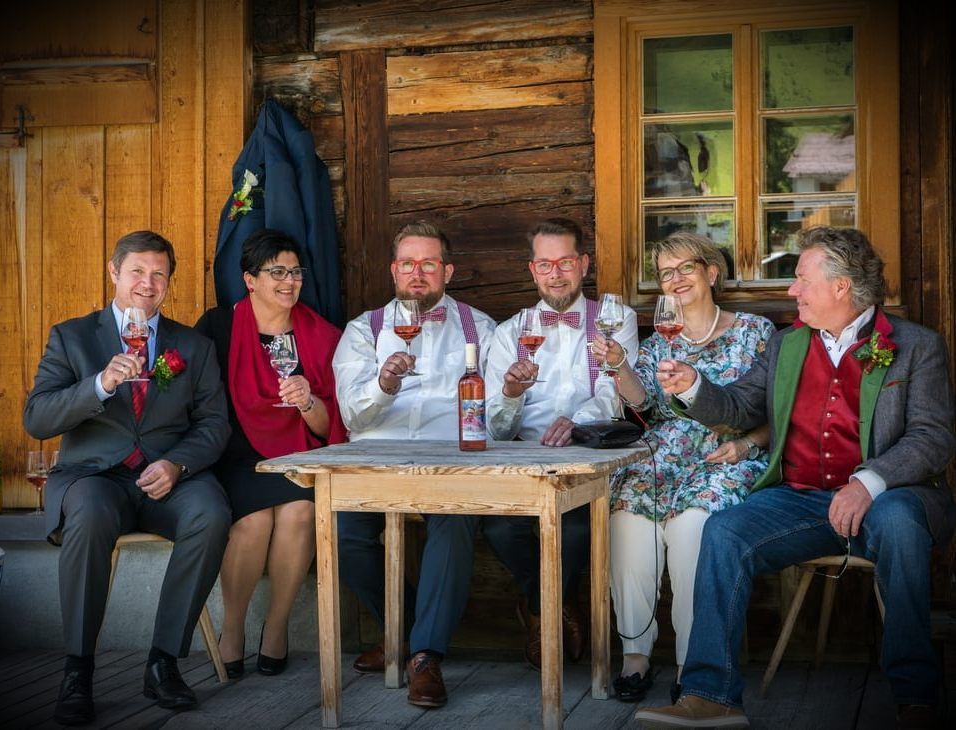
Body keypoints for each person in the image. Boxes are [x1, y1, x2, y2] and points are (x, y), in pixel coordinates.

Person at [636, 226, 956, 730]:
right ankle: (710, 696)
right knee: (725, 530)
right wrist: (693, 386)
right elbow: (740, 408)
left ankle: (916, 697)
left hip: (890, 497)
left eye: (801, 279)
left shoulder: (917, 346)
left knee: (898, 524)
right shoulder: (787, 345)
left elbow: (932, 437)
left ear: (841, 286)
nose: (791, 290)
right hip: (802, 499)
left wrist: (867, 482)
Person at [23, 231, 232, 726]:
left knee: (211, 511)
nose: (148, 282)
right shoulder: (72, 337)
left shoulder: (193, 346)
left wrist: (177, 464)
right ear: (114, 272)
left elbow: (213, 424)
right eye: (137, 270)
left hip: (168, 478)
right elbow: (37, 418)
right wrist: (99, 384)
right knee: (91, 513)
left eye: (159, 273)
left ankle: (163, 661)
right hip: (95, 477)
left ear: (168, 282)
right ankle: (77, 669)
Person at [589, 232, 774, 703]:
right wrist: (618, 365)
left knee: (693, 528)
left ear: (712, 272)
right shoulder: (659, 340)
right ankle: (635, 654)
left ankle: (697, 663)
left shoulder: (755, 332)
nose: (675, 279)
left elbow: (780, 411)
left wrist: (747, 447)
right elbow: (645, 405)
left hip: (723, 455)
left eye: (686, 268)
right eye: (666, 273)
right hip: (662, 454)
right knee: (627, 519)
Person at [331, 220, 495, 708]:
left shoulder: (479, 328)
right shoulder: (364, 330)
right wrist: (383, 384)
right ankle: (399, 631)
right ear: (393, 271)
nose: (417, 274)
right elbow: (351, 413)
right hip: (377, 457)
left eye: (428, 264)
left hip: (449, 460)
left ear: (447, 270)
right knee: (345, 532)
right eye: (408, 264)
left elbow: (497, 413)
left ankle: (424, 655)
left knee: (456, 521)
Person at [483, 217, 638, 670]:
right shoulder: (510, 332)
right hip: (523, 462)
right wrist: (510, 394)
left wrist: (577, 422)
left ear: (583, 264)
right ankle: (550, 608)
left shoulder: (614, 319)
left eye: (565, 262)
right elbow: (495, 426)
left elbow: (615, 394)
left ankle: (537, 615)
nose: (556, 273)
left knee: (573, 530)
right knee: (497, 528)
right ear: (533, 270)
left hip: (587, 457)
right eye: (545, 264)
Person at [195, 229, 348, 679]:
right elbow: (199, 404)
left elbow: (329, 428)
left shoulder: (320, 335)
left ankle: (277, 628)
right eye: (276, 271)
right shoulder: (218, 328)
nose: (289, 281)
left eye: (295, 271)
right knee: (255, 520)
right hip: (236, 454)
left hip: (299, 453)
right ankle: (234, 628)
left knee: (300, 512)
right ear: (249, 279)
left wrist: (307, 402)